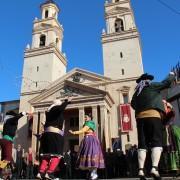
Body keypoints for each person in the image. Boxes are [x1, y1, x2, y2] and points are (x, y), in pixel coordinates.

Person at [131, 72, 175, 179]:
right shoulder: (152, 85)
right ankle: (154, 168)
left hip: (140, 119)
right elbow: (166, 83)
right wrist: (171, 75)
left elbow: (132, 104)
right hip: (153, 116)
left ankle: (141, 170)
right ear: (147, 80)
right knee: (156, 142)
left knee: (142, 144)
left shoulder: (137, 92)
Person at [36, 97, 72, 180]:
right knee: (57, 155)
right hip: (54, 134)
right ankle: (50, 172)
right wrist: (67, 102)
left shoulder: (49, 111)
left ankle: (41, 172)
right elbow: (60, 108)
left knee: (47, 156)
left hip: (47, 134)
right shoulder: (55, 109)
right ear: (57, 104)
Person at [69, 114, 105, 180]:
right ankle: (92, 173)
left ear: (90, 118)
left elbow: (83, 130)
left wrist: (74, 132)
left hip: (90, 140)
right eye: (85, 117)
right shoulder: (88, 123)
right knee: (88, 155)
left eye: (86, 117)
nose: (85, 118)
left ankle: (93, 173)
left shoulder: (90, 123)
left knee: (91, 154)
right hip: (88, 139)